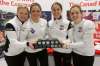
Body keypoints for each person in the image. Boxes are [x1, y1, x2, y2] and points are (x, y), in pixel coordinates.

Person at [48, 2, 72, 66]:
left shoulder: (68, 23)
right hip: (56, 51)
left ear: (61, 10)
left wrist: (64, 42)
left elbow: (71, 38)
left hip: (66, 51)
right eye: (54, 10)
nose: (56, 11)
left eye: (58, 9)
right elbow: (49, 37)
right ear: (52, 11)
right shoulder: (49, 23)